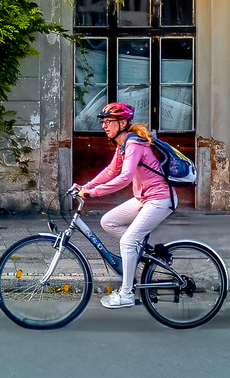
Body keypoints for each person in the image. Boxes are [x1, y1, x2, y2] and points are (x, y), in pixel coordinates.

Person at [76, 101, 173, 309]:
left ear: (122, 123)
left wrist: (93, 193)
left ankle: (127, 293)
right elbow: (111, 172)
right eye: (104, 122)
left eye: (109, 122)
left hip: (160, 199)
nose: (104, 125)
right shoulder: (123, 145)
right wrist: (86, 186)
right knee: (108, 221)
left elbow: (124, 178)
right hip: (144, 198)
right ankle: (142, 250)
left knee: (128, 241)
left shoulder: (134, 144)